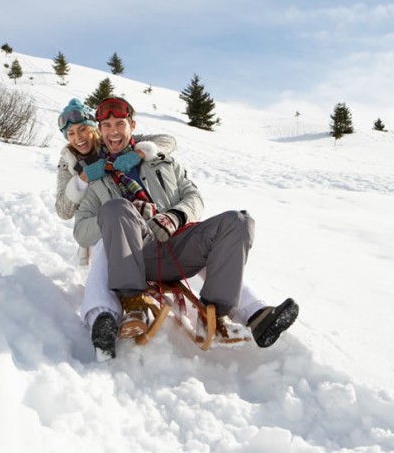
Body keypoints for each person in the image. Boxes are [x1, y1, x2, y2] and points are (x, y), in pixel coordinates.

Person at [74, 97, 298, 357]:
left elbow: (193, 197)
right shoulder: (97, 181)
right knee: (115, 208)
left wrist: (174, 217)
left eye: (120, 123)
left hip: (178, 243)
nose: (114, 131)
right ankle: (131, 304)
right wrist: (120, 220)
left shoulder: (163, 162)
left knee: (238, 221)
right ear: (100, 131)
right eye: (107, 125)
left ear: (132, 125)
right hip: (134, 256)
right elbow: (80, 230)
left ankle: (218, 311)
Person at [55, 98, 176, 358]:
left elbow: (167, 142)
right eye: (71, 133)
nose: (79, 138)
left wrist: (139, 152)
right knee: (103, 246)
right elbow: (64, 210)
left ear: (94, 128)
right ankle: (101, 316)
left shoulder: (113, 138)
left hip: (133, 220)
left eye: (83, 129)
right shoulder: (69, 162)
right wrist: (83, 179)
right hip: (96, 225)